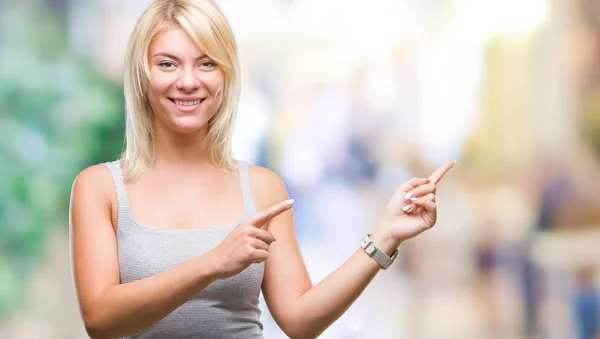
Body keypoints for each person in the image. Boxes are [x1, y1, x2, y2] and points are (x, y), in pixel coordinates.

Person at [68, 0, 455, 338]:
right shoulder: (100, 188)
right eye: (168, 63)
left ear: (226, 76)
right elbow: (100, 320)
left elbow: (301, 321)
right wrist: (211, 264)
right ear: (142, 75)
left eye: (206, 63)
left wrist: (385, 236)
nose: (188, 81)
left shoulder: (262, 188)